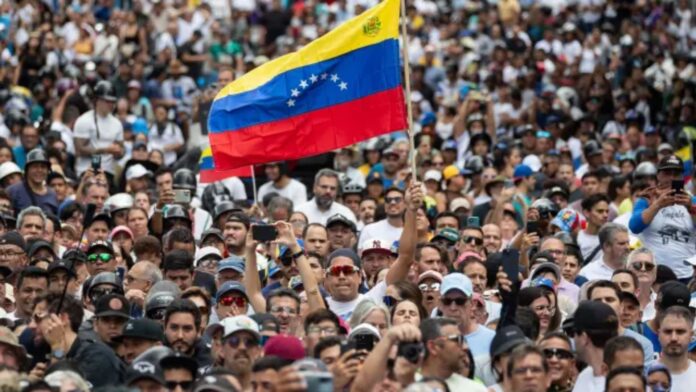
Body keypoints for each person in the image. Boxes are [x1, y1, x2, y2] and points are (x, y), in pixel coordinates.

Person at [630, 155, 696, 281]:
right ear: (658, 176)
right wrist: (658, 204)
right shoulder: (647, 199)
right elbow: (634, 227)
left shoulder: (692, 200)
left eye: (676, 173)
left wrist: (690, 207)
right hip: (654, 273)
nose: (671, 178)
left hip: (686, 273)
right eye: (667, 173)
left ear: (682, 177)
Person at [73, 81, 124, 178]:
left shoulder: (117, 123)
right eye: (107, 101)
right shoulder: (84, 120)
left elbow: (121, 149)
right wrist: (105, 150)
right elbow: (79, 150)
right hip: (87, 170)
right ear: (97, 100)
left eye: (113, 101)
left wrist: (119, 152)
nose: (111, 105)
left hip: (108, 171)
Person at [657, 306, 696, 392]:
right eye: (668, 331)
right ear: (659, 334)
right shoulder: (643, 375)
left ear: (691, 335)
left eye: (680, 331)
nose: (673, 338)